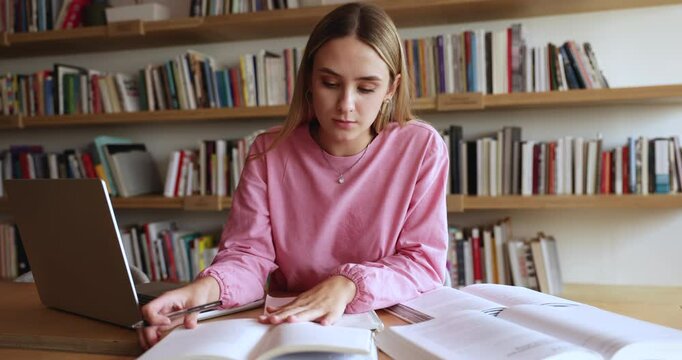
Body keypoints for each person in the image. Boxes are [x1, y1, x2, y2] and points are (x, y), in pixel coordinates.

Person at [139, 2, 449, 349]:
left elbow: (423, 262)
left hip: (390, 324)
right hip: (291, 325)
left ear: (391, 88)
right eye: (330, 83)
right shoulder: (268, 151)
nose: (346, 104)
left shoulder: (420, 146)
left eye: (366, 88)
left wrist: (347, 285)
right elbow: (248, 256)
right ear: (309, 80)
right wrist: (206, 290)